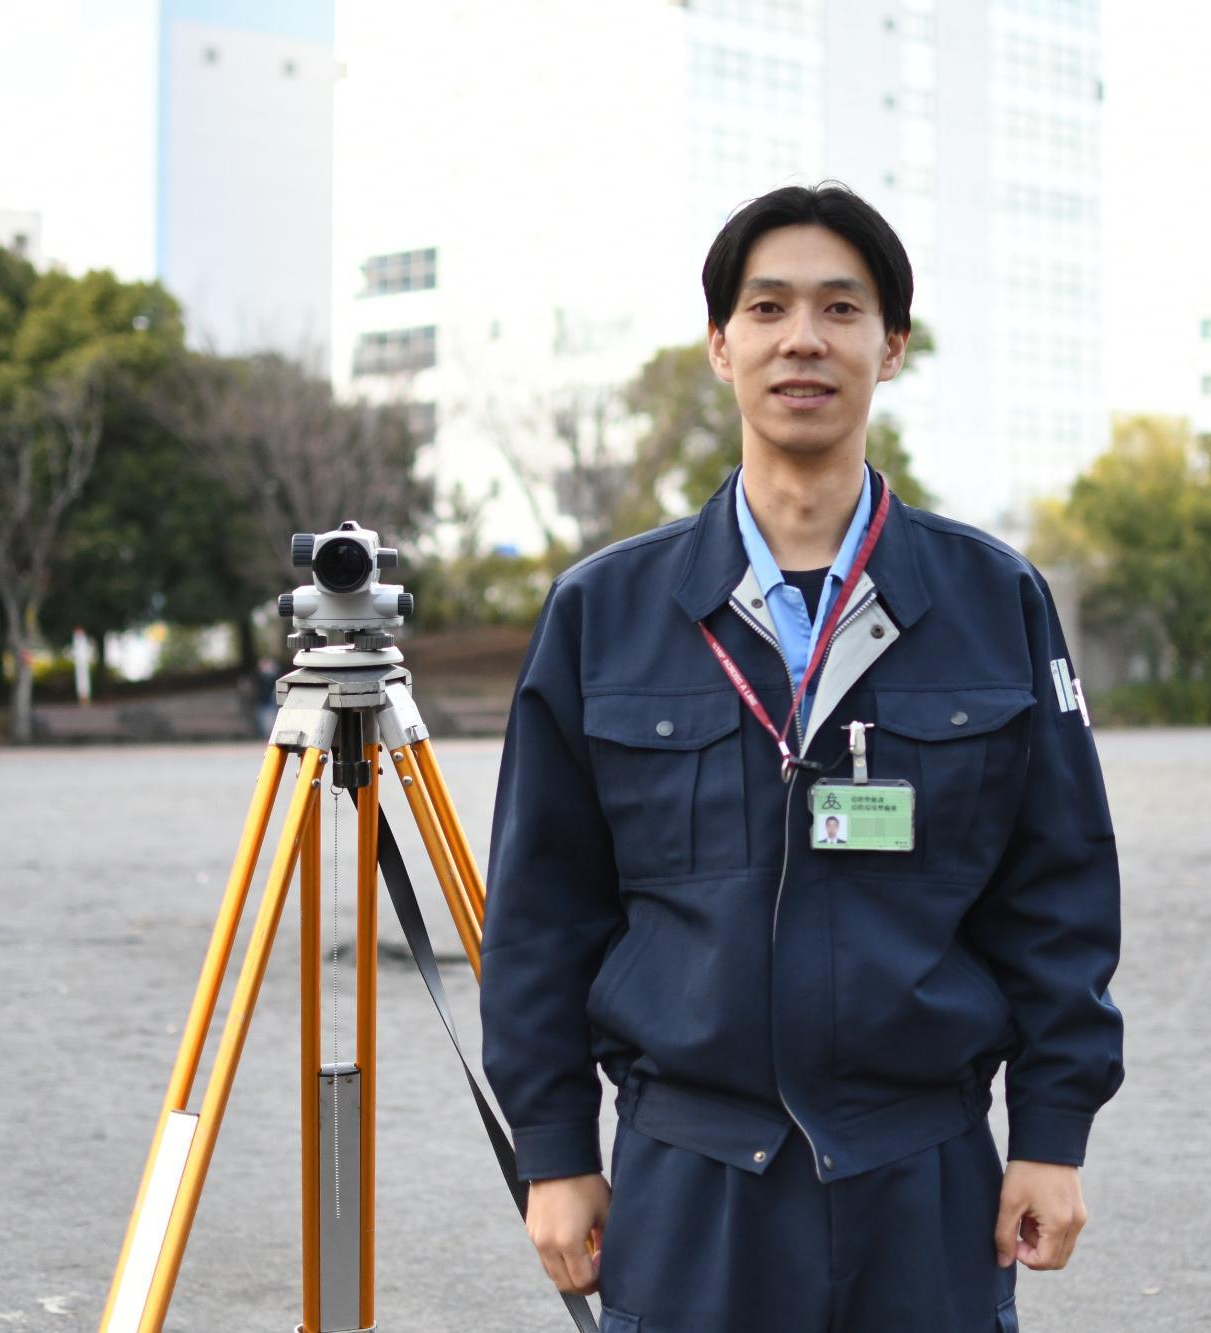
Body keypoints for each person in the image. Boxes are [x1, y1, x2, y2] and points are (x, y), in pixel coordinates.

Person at [479, 183, 1123, 1332]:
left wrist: (1052, 1131)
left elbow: (1058, 887)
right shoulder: (603, 614)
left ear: (893, 345)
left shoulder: (993, 600)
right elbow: (539, 909)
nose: (803, 339)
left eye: (840, 307)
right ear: (719, 344)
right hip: (689, 1182)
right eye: (767, 307)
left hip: (925, 1176)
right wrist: (553, 1146)